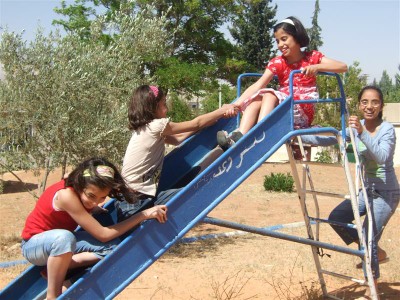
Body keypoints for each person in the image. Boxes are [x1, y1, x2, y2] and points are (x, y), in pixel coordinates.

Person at [21, 157, 168, 300]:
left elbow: (105, 239)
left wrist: (93, 208)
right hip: (33, 245)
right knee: (65, 238)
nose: (94, 202)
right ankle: (53, 296)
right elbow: (103, 234)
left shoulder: (78, 189)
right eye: (91, 196)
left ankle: (57, 267)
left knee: (114, 248)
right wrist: (143, 214)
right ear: (80, 183)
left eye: (102, 197)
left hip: (59, 243)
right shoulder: (66, 195)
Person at [302, 86, 399, 298]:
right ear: (359, 104)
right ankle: (377, 253)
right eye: (365, 102)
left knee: (368, 237)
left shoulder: (386, 130)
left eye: (374, 102)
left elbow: (381, 156)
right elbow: (331, 137)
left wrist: (362, 133)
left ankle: (370, 289)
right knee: (337, 218)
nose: (369, 106)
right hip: (367, 191)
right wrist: (301, 135)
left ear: (381, 105)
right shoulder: (356, 127)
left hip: (386, 193)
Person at [217, 16, 348, 150]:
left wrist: (317, 67)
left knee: (269, 95)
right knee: (257, 98)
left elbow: (343, 67)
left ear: (296, 36)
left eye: (284, 39)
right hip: (284, 103)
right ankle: (240, 135)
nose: (280, 45)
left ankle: (260, 133)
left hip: (301, 106)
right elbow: (258, 84)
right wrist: (236, 104)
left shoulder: (312, 57)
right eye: (277, 41)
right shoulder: (278, 62)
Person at [116, 85, 238, 222]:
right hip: (136, 202)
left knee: (187, 192)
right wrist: (222, 110)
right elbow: (196, 123)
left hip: (130, 200)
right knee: (194, 191)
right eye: (163, 104)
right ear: (152, 108)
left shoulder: (144, 129)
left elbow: (178, 139)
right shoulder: (156, 126)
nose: (166, 108)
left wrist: (207, 123)